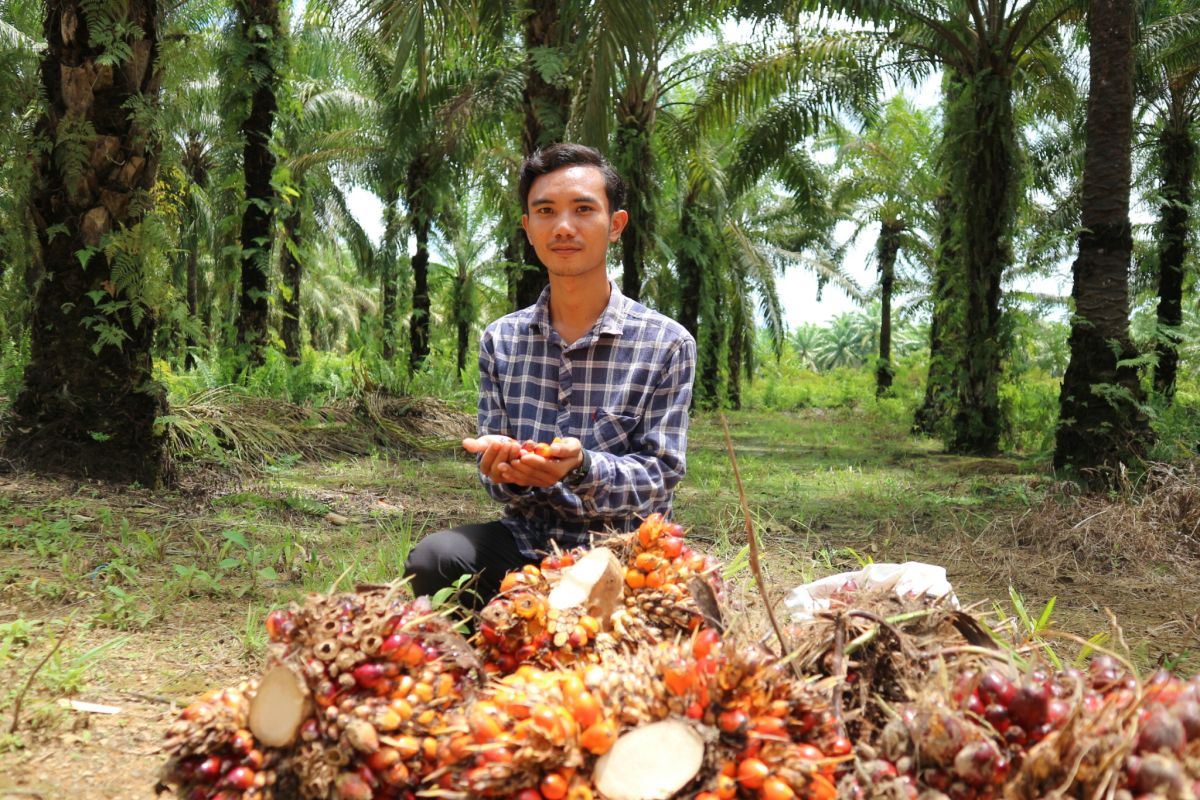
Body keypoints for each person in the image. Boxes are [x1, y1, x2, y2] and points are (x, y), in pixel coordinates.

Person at [404, 143, 696, 609]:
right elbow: (494, 478)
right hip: (528, 545)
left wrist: (582, 468)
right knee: (434, 559)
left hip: (625, 554)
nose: (563, 227)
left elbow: (661, 474)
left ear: (615, 225)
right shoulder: (501, 340)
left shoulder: (666, 343)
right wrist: (509, 470)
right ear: (528, 228)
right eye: (545, 211)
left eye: (583, 209)